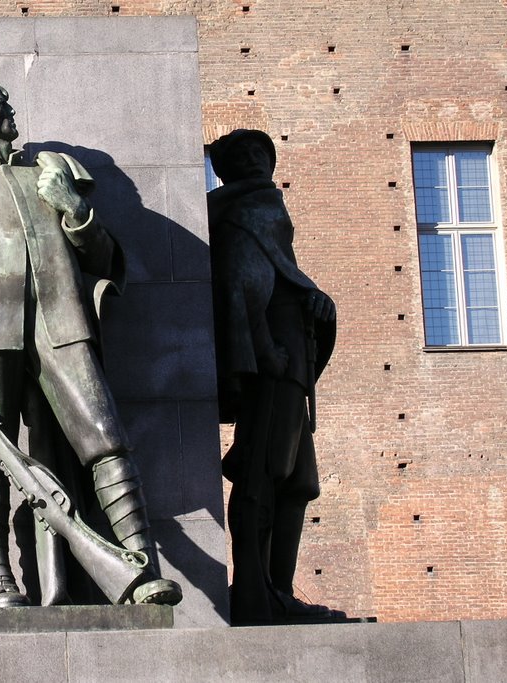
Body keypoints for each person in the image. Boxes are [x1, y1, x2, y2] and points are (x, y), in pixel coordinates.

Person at [0, 85, 181, 607]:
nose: (12, 112)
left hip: (61, 322)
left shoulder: (47, 176)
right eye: (3, 105)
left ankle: (141, 569)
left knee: (104, 436)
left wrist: (73, 208)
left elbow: (106, 257)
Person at [207, 129, 344, 625]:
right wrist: (266, 351)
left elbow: (278, 277)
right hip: (277, 364)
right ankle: (254, 593)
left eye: (258, 152)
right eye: (240, 155)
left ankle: (278, 590)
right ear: (224, 169)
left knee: (298, 482)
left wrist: (316, 302)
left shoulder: (265, 211)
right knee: (262, 475)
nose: (252, 160)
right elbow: (242, 285)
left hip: (293, 364)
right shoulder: (243, 214)